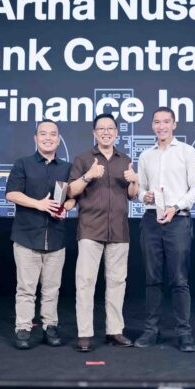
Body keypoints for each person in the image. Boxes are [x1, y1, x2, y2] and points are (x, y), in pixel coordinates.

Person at [134, 107, 195, 352]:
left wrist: (176, 207)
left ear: (174, 124)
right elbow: (140, 189)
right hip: (151, 220)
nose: (161, 126)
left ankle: (184, 333)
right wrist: (144, 195)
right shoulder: (145, 156)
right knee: (152, 279)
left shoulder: (187, 152)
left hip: (178, 220)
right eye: (157, 122)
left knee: (179, 279)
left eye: (166, 122)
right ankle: (151, 331)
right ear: (152, 125)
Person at [67, 113, 139, 352]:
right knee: (85, 282)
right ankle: (84, 333)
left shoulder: (125, 159)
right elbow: (71, 191)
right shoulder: (83, 158)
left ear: (116, 133)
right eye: (101, 128)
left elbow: (132, 195)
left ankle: (114, 331)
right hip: (90, 228)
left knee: (117, 282)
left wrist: (134, 181)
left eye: (110, 128)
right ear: (94, 133)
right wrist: (88, 176)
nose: (106, 132)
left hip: (119, 230)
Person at [5, 119, 75, 350]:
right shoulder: (23, 164)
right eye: (43, 133)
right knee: (26, 288)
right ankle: (23, 327)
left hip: (56, 237)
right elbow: (11, 194)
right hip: (26, 237)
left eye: (52, 134)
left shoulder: (67, 167)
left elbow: (73, 197)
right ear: (36, 138)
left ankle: (50, 326)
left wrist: (66, 207)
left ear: (59, 139)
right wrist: (39, 204)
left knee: (52, 288)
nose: (48, 138)